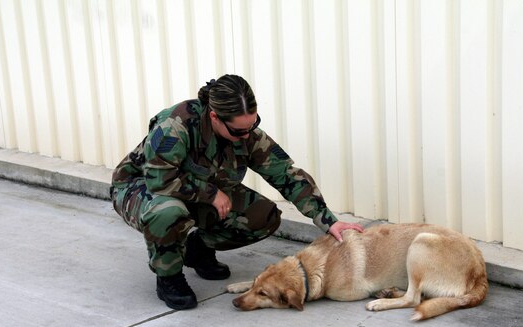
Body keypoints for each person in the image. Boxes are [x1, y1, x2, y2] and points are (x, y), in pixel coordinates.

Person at [110, 74, 363, 310]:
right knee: (168, 212)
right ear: (214, 117)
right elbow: (159, 181)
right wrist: (210, 194)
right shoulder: (174, 126)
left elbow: (286, 175)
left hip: (192, 191)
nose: (247, 135)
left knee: (262, 217)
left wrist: (328, 221)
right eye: (239, 131)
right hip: (140, 188)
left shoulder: (246, 132)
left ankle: (197, 249)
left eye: (253, 125)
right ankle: (169, 277)